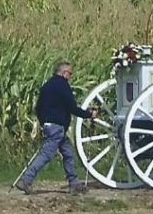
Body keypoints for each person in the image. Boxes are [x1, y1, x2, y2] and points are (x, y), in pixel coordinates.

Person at [14, 61, 95, 195]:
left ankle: (73, 183)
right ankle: (26, 180)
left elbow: (38, 107)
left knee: (68, 153)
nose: (71, 76)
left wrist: (43, 122)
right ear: (64, 73)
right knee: (46, 154)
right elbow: (72, 107)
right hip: (57, 127)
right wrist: (88, 114)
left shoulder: (47, 85)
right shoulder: (63, 86)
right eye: (70, 73)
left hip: (49, 125)